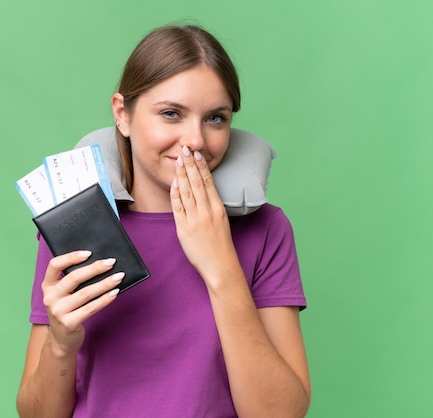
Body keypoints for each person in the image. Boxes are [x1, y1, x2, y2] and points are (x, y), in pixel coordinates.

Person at [16, 24, 311, 418]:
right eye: (171, 114)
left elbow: (280, 413)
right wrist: (60, 342)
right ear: (122, 113)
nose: (196, 141)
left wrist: (221, 266)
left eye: (215, 118)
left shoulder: (266, 230)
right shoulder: (73, 225)